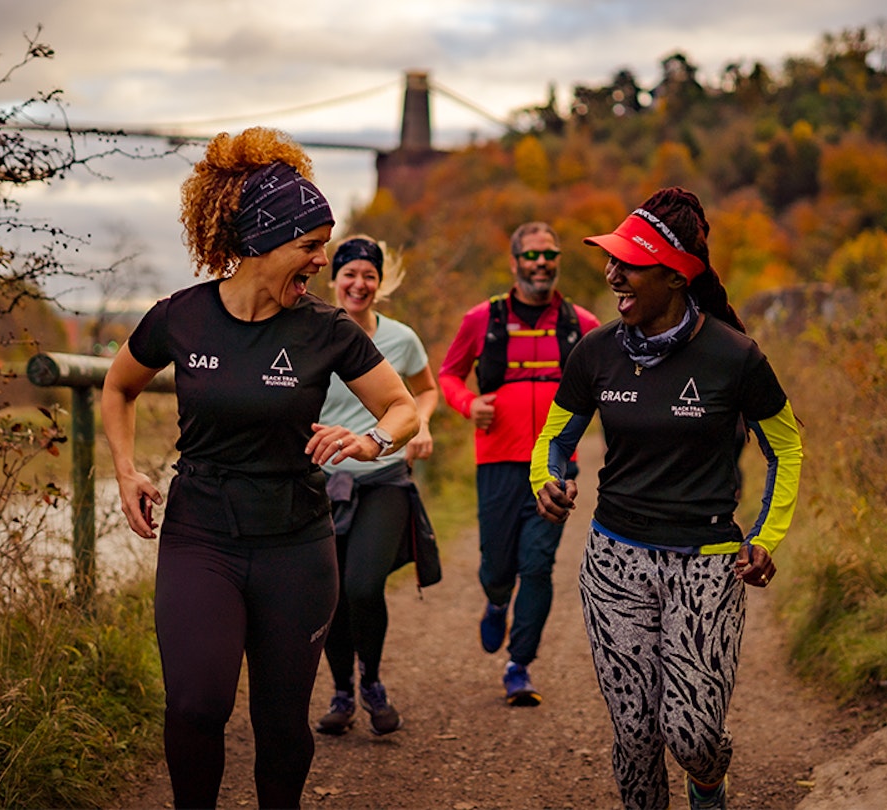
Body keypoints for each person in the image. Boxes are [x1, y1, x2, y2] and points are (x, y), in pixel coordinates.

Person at [101, 127, 419, 810]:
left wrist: (371, 444)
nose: (321, 261)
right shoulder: (180, 318)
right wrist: (126, 470)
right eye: (310, 246)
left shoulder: (326, 328)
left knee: (281, 726)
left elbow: (401, 409)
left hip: (296, 544)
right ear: (260, 243)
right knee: (195, 704)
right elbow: (119, 385)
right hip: (201, 535)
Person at [531, 187, 803, 810]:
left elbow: (786, 450)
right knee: (635, 735)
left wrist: (765, 538)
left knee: (693, 734)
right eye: (611, 258)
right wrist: (547, 481)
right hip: (615, 561)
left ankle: (709, 783)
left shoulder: (735, 358)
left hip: (706, 563)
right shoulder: (595, 352)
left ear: (676, 275)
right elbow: (556, 438)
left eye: (629, 261)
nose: (612, 273)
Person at [438, 222, 600, 706]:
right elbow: (449, 375)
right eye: (531, 255)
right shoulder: (481, 319)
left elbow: (610, 379)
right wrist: (469, 404)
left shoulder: (582, 324)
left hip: (555, 469)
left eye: (550, 254)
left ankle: (519, 665)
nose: (541, 263)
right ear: (514, 263)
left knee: (538, 565)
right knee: (498, 566)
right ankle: (494, 599)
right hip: (497, 464)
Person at [311, 235, 439, 737]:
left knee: (364, 585)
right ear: (334, 279)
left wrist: (421, 423)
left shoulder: (401, 339)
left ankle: (372, 682)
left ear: (380, 283)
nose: (358, 283)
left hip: (384, 477)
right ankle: (342, 691)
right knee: (332, 591)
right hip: (322, 481)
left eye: (369, 275)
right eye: (350, 273)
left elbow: (425, 389)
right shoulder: (313, 335)